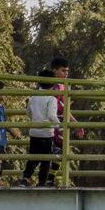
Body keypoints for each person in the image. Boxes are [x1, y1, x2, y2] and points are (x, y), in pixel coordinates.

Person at [45, 57, 85, 187]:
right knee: (46, 153)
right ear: (54, 70)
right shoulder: (48, 86)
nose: (66, 74)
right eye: (63, 71)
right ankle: (43, 179)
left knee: (60, 152)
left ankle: (49, 180)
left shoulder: (64, 86)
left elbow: (65, 108)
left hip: (61, 125)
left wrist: (75, 123)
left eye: (67, 71)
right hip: (48, 123)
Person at [20, 71, 60, 187]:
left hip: (34, 132)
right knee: (46, 160)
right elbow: (52, 116)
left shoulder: (33, 97)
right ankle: (42, 182)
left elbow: (28, 113)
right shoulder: (51, 98)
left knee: (33, 157)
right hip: (46, 134)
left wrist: (36, 118)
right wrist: (60, 126)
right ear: (53, 84)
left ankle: (25, 178)